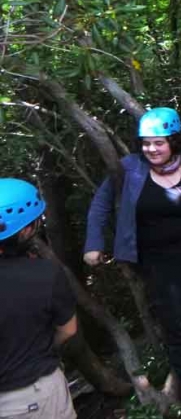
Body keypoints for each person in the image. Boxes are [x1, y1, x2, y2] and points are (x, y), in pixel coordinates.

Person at [83, 107, 181, 419]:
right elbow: (100, 205)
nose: (151, 149)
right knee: (178, 325)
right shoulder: (129, 169)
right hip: (156, 262)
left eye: (158, 143)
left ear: (173, 141)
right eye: (146, 143)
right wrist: (93, 244)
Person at [0, 178, 77, 419]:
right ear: (24, 230)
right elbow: (68, 330)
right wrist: (41, 349)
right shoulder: (45, 274)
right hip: (33, 395)